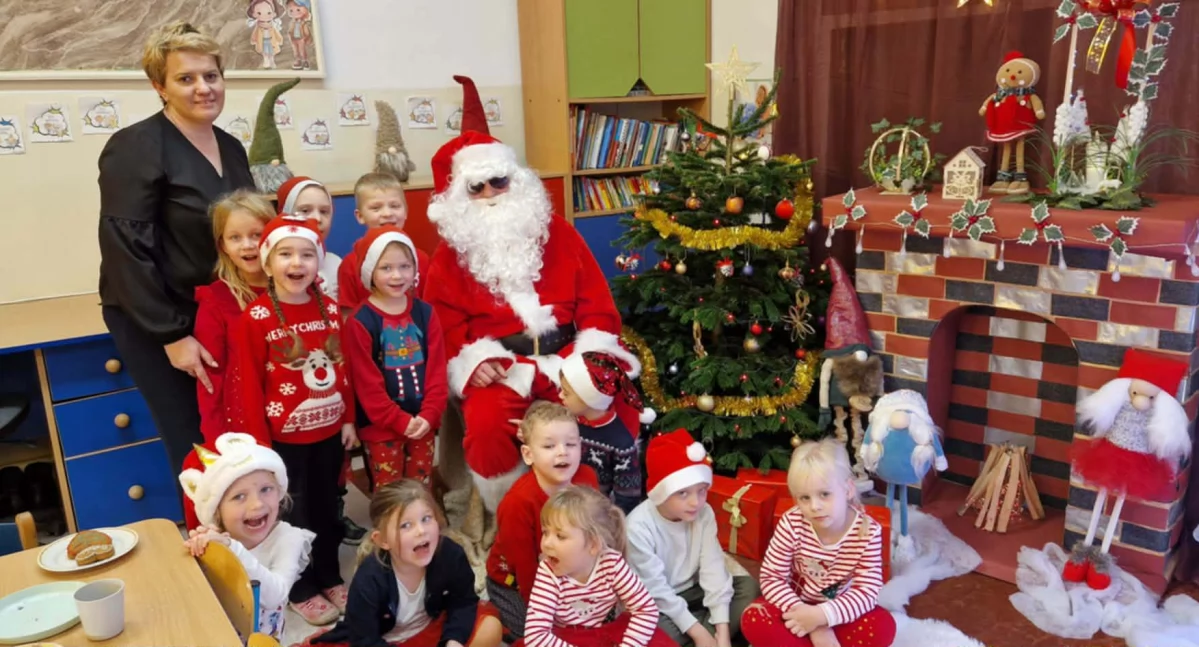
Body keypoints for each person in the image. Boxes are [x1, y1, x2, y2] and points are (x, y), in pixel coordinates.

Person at [424, 75, 639, 514]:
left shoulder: (557, 231)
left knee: (615, 407)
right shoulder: (450, 257)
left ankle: (605, 507)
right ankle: (515, 515)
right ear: (459, 197)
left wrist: (591, 354)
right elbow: (443, 327)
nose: (490, 195)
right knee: (485, 428)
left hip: (569, 358)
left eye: (498, 182)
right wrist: (475, 362)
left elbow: (598, 302)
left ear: (515, 180)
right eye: (476, 188)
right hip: (503, 368)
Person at [97, 21, 255, 481]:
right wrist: (171, 336)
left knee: (235, 435)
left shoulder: (230, 145)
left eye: (211, 75)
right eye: (186, 78)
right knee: (196, 441)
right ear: (159, 87)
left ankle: (247, 542)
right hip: (158, 317)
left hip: (217, 311)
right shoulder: (135, 146)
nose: (203, 88)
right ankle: (205, 544)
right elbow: (125, 247)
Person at [231, 214, 356, 626]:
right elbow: (247, 384)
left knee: (326, 510)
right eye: (285, 254)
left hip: (328, 434)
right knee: (293, 515)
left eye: (306, 254)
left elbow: (345, 371)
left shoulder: (334, 312)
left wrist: (349, 420)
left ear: (318, 262)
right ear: (268, 262)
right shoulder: (257, 319)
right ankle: (299, 585)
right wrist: (259, 446)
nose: (296, 263)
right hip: (281, 443)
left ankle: (329, 574)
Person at [301, 480, 503, 647]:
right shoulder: (369, 579)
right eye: (406, 525)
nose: (421, 531)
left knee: (490, 627)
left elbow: (464, 601)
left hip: (431, 630)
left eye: (426, 519)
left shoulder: (450, 553)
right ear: (382, 540)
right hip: (382, 642)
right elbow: (364, 640)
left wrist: (454, 641)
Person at [741, 439, 896, 647]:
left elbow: (867, 591)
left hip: (839, 612)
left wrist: (823, 616)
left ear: (848, 490)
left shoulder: (868, 532)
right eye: (804, 498)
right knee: (754, 618)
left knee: (883, 627)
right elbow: (772, 577)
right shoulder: (792, 522)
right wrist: (814, 624)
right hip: (794, 609)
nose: (815, 506)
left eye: (825, 494)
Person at [627, 430, 759, 647]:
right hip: (657, 602)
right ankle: (703, 636)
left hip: (693, 591)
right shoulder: (637, 527)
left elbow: (713, 568)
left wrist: (723, 632)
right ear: (661, 492)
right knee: (647, 629)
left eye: (701, 491)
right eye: (683, 493)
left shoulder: (704, 513)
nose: (695, 502)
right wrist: (699, 633)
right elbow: (656, 591)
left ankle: (710, 637)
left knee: (748, 588)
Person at [179, 432, 314, 641]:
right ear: (216, 512)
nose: (257, 504)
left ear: (279, 492)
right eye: (239, 496)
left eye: (266, 489)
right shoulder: (216, 538)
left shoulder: (289, 539)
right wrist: (202, 554)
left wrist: (232, 549)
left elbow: (276, 596)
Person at [485, 402, 598, 641]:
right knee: (536, 633)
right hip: (515, 581)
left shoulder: (587, 481)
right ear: (528, 454)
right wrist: (553, 610)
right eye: (549, 446)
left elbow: (597, 535)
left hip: (569, 569)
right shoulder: (518, 503)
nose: (562, 452)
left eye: (570, 444)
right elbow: (526, 571)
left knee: (600, 615)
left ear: (581, 446)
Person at [344, 227, 448, 488]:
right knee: (389, 492)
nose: (397, 275)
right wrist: (399, 421)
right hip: (382, 430)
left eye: (405, 266)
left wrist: (430, 414)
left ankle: (420, 528)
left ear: (415, 270)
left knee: (420, 487)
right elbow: (367, 386)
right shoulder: (360, 322)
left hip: (423, 424)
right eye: (386, 268)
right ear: (370, 272)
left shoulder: (426, 313)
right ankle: (391, 530)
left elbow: (437, 370)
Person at [518, 486, 675, 647]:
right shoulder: (548, 572)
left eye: (560, 536)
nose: (546, 544)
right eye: (545, 532)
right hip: (565, 639)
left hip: (609, 632)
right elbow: (536, 636)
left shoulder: (612, 563)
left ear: (593, 544)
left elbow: (646, 610)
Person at [194, 190, 274, 444]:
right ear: (223, 246)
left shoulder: (297, 290)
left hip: (296, 423)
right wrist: (216, 440)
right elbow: (210, 380)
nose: (248, 245)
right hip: (246, 431)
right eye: (235, 237)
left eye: (256, 235)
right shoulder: (216, 300)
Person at [558, 351, 655, 513]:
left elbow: (627, 497)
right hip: (561, 505)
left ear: (587, 398)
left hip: (594, 516)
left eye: (566, 392)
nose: (560, 395)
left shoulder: (621, 444)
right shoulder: (565, 421)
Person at [337, 172, 430, 316]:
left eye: (395, 206)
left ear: (405, 211)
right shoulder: (350, 265)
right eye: (376, 208)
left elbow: (430, 308)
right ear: (360, 216)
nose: (387, 213)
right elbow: (348, 314)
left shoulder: (422, 259)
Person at [276, 176, 340, 301]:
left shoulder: (336, 264)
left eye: (324, 211)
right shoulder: (277, 266)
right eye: (305, 210)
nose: (317, 218)